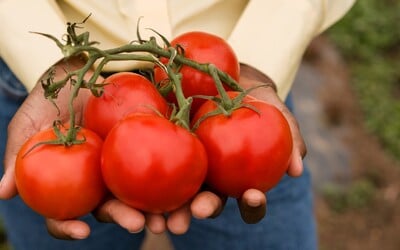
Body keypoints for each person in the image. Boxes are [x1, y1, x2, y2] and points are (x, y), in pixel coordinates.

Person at [0, 0, 356, 249]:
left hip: (238, 81)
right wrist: (52, 63)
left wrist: (261, 57)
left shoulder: (247, 112)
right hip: (57, 91)